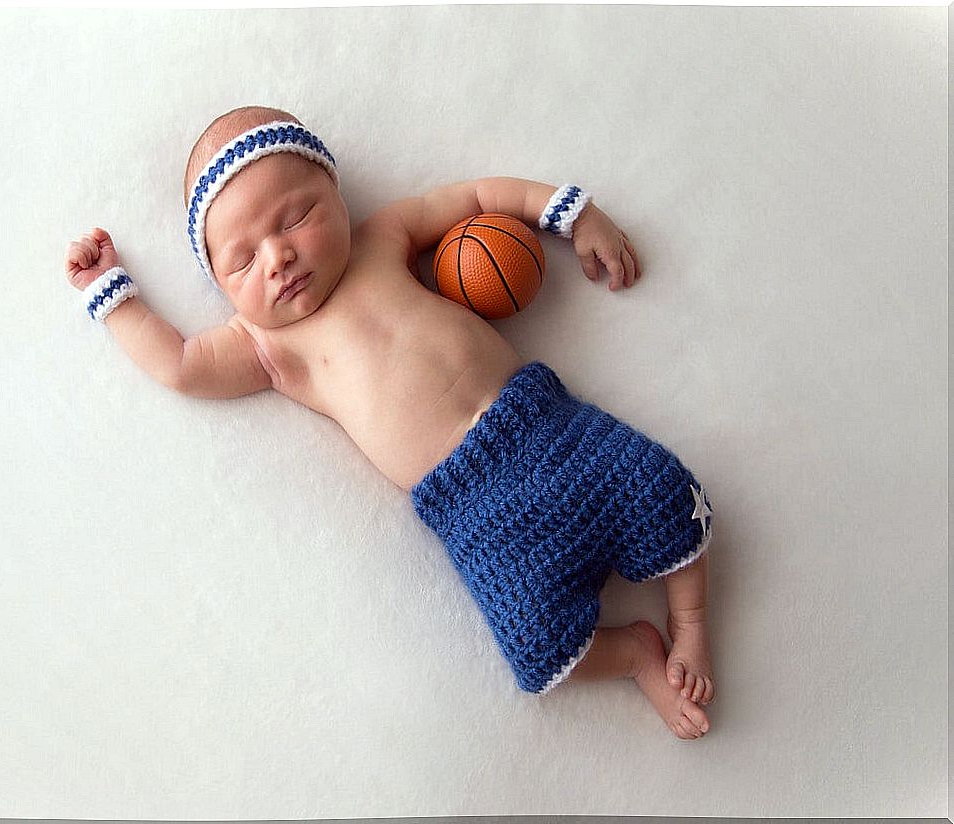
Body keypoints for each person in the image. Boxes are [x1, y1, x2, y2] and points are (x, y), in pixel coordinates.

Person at [65, 105, 717, 739]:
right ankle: (633, 653)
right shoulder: (267, 345)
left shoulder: (381, 240)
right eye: (241, 260)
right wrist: (112, 296)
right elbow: (180, 363)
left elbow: (475, 195)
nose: (277, 257)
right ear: (223, 285)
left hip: (544, 424)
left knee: (659, 487)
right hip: (475, 506)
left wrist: (573, 213)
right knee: (538, 645)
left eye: (295, 217)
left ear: (338, 199)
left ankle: (690, 625)